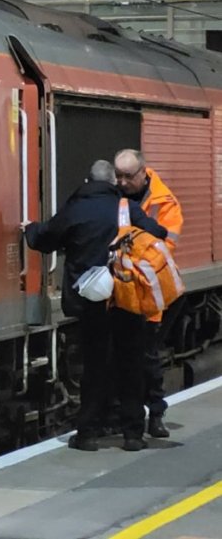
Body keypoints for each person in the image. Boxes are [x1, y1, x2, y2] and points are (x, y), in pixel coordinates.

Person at [24, 160, 168, 452]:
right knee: (131, 365)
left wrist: (29, 229)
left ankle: (88, 434)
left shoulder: (76, 208)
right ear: (114, 182)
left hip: (93, 303)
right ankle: (133, 435)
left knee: (94, 368)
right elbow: (159, 233)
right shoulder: (126, 209)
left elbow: (45, 238)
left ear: (88, 182)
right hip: (128, 299)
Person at [114, 148, 185, 439]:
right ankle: (128, 416)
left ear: (144, 173)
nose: (121, 182)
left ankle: (155, 413)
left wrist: (131, 266)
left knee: (148, 359)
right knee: (126, 359)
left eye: (128, 177)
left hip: (148, 294)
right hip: (120, 293)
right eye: (118, 176)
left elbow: (166, 246)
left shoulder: (164, 202)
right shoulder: (115, 198)